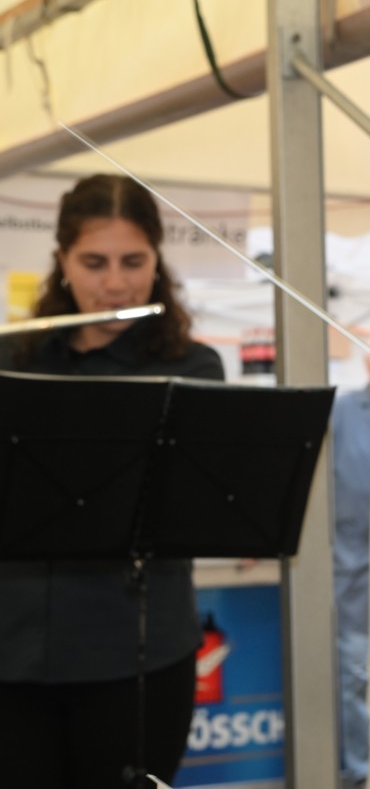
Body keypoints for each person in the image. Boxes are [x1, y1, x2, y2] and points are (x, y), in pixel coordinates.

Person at [0, 174, 225, 788]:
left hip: (138, 657)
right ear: (62, 261)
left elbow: (196, 508)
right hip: (12, 655)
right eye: (94, 263)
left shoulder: (192, 369)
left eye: (134, 261)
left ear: (157, 259)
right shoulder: (12, 363)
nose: (116, 284)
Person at [330, 339, 370, 788]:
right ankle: (364, 773)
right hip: (353, 577)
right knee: (356, 676)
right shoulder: (342, 414)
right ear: (369, 364)